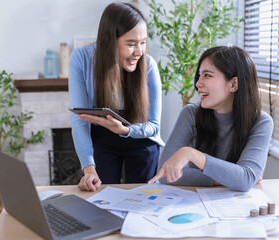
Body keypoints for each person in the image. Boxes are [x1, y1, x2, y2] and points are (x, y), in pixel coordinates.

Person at [148, 46, 273, 192]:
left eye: (207, 75)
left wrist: (191, 154)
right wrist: (228, 179)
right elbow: (165, 174)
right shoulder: (190, 114)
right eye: (200, 75)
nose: (198, 83)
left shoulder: (261, 122)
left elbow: (245, 179)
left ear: (233, 84)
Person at [69, 2, 164, 191]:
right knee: (101, 199)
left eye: (143, 42)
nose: (139, 52)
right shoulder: (82, 58)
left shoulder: (149, 65)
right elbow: (79, 119)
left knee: (142, 199)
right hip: (102, 139)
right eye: (131, 44)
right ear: (110, 41)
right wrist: (89, 169)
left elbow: (154, 126)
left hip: (140, 138)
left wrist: (125, 130)